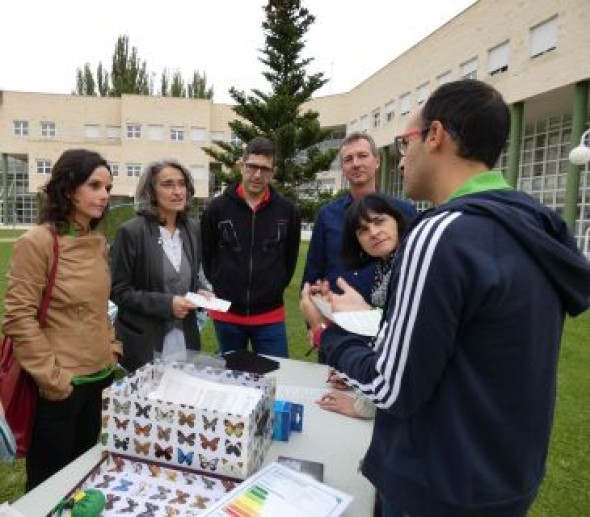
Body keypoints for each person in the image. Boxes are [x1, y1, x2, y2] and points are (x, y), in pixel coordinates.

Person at [301, 79, 590, 516]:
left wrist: (327, 334)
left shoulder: (439, 233)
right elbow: (468, 347)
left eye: (404, 142)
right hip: (502, 481)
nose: (402, 159)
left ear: (435, 136)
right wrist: (377, 319)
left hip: (435, 484)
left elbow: (391, 386)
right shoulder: (533, 225)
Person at [3, 149, 121, 491]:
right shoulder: (37, 242)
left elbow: (101, 307)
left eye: (108, 188)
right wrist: (54, 380)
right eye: (95, 185)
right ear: (69, 189)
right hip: (60, 387)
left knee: (82, 481)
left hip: (99, 379)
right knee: (48, 486)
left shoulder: (97, 243)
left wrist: (112, 349)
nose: (104, 195)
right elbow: (19, 318)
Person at [301, 132, 417, 362]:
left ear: (377, 161)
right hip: (336, 324)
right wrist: (314, 322)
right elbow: (314, 272)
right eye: (348, 159)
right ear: (343, 168)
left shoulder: (403, 212)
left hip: (387, 329)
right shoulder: (328, 215)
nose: (356, 164)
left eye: (362, 156)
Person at [200, 136, 301, 358]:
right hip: (226, 315)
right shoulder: (216, 209)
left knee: (276, 378)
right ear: (241, 165)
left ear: (273, 172)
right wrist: (220, 280)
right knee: (231, 381)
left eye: (265, 169)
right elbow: (207, 254)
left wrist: (275, 285)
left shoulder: (287, 211)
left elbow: (290, 258)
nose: (257, 174)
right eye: (252, 166)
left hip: (270, 316)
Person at [110, 160, 211, 372]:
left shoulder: (192, 229)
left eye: (182, 184)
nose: (177, 191)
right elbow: (118, 291)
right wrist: (166, 304)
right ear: (151, 191)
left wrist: (200, 294)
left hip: (184, 338)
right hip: (145, 342)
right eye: (167, 184)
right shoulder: (131, 232)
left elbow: (188, 277)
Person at [316, 193, 406, 419]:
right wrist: (354, 375)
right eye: (363, 230)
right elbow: (383, 343)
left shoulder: (408, 266)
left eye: (379, 221)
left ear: (397, 221)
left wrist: (362, 406)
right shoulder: (384, 269)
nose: (373, 233)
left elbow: (404, 347)